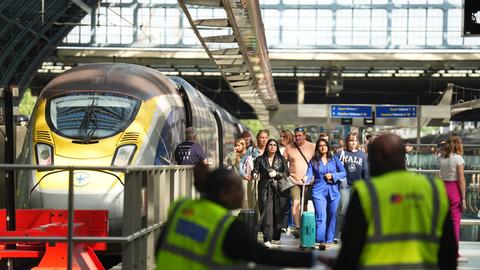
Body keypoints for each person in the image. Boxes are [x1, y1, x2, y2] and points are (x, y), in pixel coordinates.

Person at [321, 133, 456, 270]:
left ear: (379, 158)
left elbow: (351, 247)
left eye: (371, 160)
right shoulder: (433, 188)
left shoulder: (367, 191)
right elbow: (449, 248)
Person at [155, 164, 316, 269]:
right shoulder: (227, 226)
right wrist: (313, 260)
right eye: (238, 189)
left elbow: (159, 248)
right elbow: (264, 255)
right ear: (223, 194)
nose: (242, 194)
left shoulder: (180, 207)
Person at [304, 138, 346, 248]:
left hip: (333, 191)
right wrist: (306, 177)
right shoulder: (313, 161)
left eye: (325, 145)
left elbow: (343, 173)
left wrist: (333, 176)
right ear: (317, 147)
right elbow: (309, 173)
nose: (323, 147)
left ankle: (329, 239)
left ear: (328, 147)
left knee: (332, 215)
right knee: (321, 216)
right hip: (319, 191)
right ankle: (320, 240)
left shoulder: (334, 159)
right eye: (320, 145)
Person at [253, 139, 290, 247]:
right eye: (270, 145)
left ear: (277, 147)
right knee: (267, 212)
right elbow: (255, 170)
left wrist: (277, 174)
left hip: (279, 189)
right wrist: (255, 174)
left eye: (274, 145)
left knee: (277, 212)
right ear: (267, 147)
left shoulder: (282, 159)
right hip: (265, 188)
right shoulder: (259, 159)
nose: (272, 147)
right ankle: (267, 238)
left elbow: (286, 173)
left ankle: (275, 235)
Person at [438, 133, 467, 261]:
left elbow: (440, 175)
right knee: (455, 222)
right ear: (458, 144)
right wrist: (464, 198)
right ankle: (454, 253)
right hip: (454, 189)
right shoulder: (458, 159)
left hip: (443, 189)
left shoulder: (441, 157)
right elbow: (461, 179)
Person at [335, 132, 369, 240]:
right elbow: (334, 168)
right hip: (345, 186)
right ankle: (338, 233)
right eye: (351, 140)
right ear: (347, 142)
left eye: (355, 140)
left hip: (358, 186)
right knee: (343, 209)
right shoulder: (341, 154)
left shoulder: (362, 155)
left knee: (356, 211)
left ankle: (353, 233)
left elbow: (365, 172)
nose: (353, 143)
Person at [283, 127, 316, 237]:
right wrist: (286, 175)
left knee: (304, 204)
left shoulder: (312, 147)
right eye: (296, 135)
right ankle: (297, 227)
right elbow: (283, 162)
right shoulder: (289, 147)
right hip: (294, 180)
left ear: (304, 136)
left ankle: (303, 224)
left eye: (299, 135)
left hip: (308, 181)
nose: (297, 138)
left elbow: (317, 162)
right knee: (295, 202)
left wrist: (313, 176)